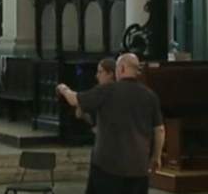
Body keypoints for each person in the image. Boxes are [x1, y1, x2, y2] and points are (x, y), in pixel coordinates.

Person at [57, 53, 165, 194]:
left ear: (121, 69)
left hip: (108, 167)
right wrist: (156, 156)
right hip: (139, 166)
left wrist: (63, 88)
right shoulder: (150, 95)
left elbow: (74, 100)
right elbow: (160, 130)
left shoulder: (108, 90)